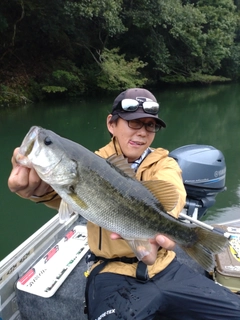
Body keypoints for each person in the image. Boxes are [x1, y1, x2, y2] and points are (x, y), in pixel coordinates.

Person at [8, 88, 240, 320]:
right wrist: (37, 191)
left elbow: (173, 193)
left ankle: (193, 239)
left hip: (165, 266)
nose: (142, 132)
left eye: (150, 125)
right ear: (112, 124)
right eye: (134, 123)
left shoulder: (165, 163)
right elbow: (62, 195)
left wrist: (164, 229)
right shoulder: (92, 161)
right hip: (112, 272)